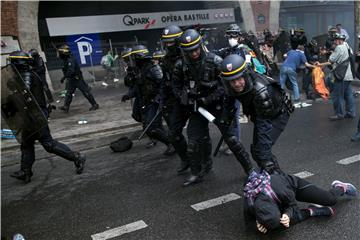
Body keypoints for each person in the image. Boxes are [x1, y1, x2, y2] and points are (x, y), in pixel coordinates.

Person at [173, 29, 254, 186]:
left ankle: (250, 170)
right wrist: (184, 97)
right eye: (190, 51)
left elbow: (227, 86)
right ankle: (197, 172)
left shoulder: (215, 61)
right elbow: (175, 86)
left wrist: (208, 98)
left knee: (232, 140)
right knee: (193, 143)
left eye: (196, 48)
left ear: (201, 45)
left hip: (218, 106)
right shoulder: (181, 65)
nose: (194, 53)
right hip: (197, 107)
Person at [7, 51, 86, 183]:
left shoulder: (27, 76)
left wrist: (10, 99)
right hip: (29, 116)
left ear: (17, 62)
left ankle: (77, 157)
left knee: (48, 144)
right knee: (27, 144)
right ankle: (25, 171)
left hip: (36, 116)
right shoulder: (23, 75)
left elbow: (24, 96)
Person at [220, 54, 294, 172]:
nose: (236, 84)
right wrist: (224, 120)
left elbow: (264, 126)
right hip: (259, 112)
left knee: (262, 152)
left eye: (239, 79)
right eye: (232, 81)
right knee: (257, 151)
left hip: (277, 114)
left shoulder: (260, 91)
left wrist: (264, 158)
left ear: (245, 75)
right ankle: (266, 176)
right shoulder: (234, 86)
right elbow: (229, 100)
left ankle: (278, 179)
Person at [243, 169, 357, 233]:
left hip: (293, 187)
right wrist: (257, 225)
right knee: (276, 226)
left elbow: (293, 205)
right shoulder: (250, 203)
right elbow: (248, 225)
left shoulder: (281, 190)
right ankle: (312, 211)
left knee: (330, 199)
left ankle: (341, 187)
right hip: (273, 200)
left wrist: (287, 214)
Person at [122, 44, 175, 156]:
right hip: (146, 101)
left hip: (155, 102)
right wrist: (129, 95)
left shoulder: (153, 68)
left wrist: (160, 98)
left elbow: (163, 84)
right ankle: (170, 142)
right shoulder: (140, 70)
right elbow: (138, 86)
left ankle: (171, 144)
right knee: (150, 126)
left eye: (134, 58)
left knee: (151, 127)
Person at [160, 25, 191, 172]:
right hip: (178, 100)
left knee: (198, 134)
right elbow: (166, 82)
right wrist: (162, 100)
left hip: (195, 97)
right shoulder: (166, 60)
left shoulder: (190, 53)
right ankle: (186, 159)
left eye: (171, 42)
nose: (168, 45)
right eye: (166, 42)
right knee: (173, 134)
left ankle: (204, 162)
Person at [317, 33, 356, 121]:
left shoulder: (339, 48)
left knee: (337, 95)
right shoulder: (347, 46)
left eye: (335, 40)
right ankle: (351, 112)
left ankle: (339, 114)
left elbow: (331, 61)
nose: (334, 42)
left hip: (340, 75)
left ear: (338, 40)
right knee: (348, 95)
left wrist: (320, 64)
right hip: (348, 75)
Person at [57, 44, 99, 113]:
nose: (59, 54)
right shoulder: (66, 59)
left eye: (60, 53)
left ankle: (95, 104)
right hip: (71, 79)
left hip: (77, 79)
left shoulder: (70, 60)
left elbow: (71, 71)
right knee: (69, 93)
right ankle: (66, 106)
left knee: (86, 92)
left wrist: (64, 77)